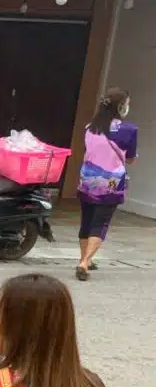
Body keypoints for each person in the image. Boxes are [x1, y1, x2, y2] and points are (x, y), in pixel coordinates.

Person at [76, 87, 138, 281]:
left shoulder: (89, 128)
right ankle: (85, 262)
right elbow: (130, 159)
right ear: (121, 106)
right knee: (100, 222)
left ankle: (84, 258)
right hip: (111, 182)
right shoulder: (129, 130)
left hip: (87, 179)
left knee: (87, 219)